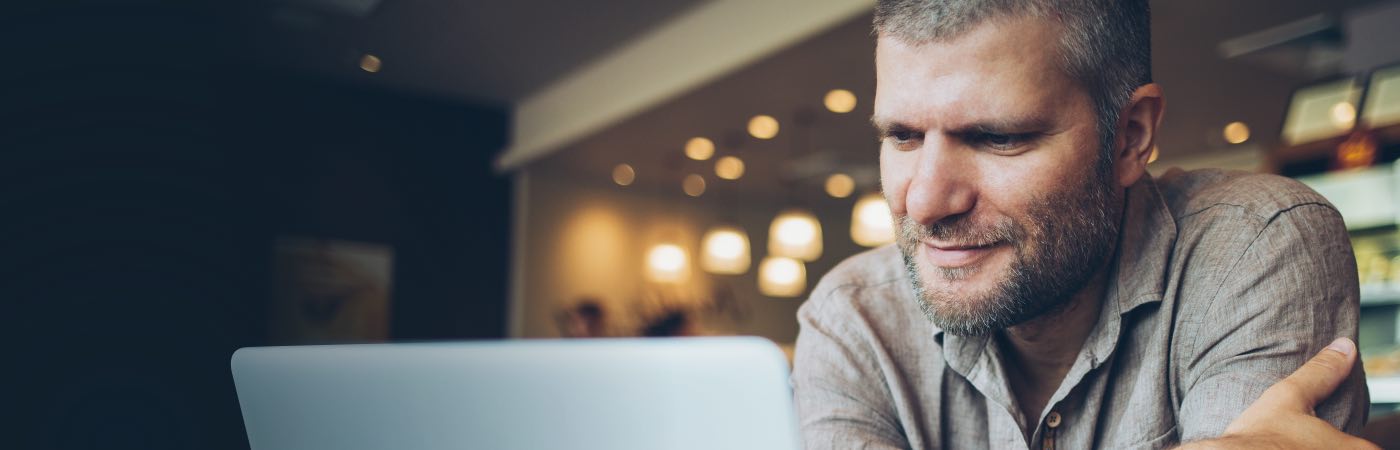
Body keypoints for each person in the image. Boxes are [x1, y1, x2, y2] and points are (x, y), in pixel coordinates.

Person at [791, 1, 1373, 449]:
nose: (924, 202)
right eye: (902, 136)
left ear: (1130, 136)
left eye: (999, 137)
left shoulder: (1257, 246)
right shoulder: (855, 319)